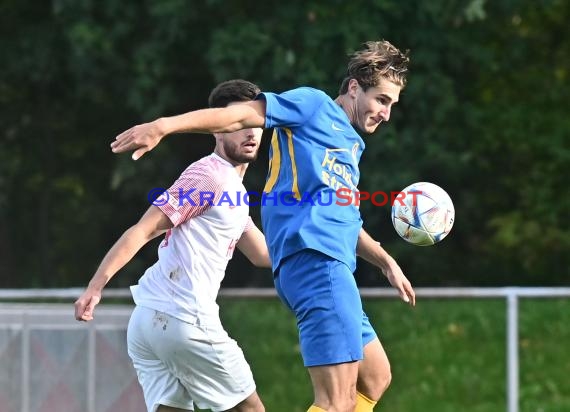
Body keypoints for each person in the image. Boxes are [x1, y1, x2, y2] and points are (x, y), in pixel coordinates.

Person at [110, 40, 416, 412]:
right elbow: (237, 116)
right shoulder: (314, 106)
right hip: (317, 264)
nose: (386, 113)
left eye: (392, 105)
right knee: (338, 402)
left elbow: (343, 218)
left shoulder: (350, 145)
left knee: (376, 376)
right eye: (381, 100)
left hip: (329, 266)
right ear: (354, 87)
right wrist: (164, 126)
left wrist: (385, 261)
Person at [75, 79, 269, 412]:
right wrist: (96, 285)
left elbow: (263, 255)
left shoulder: (233, 191)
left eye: (255, 123)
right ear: (218, 129)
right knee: (250, 409)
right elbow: (144, 230)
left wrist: (337, 243)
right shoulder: (210, 177)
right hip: (184, 318)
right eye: (238, 123)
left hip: (151, 321)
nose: (250, 132)